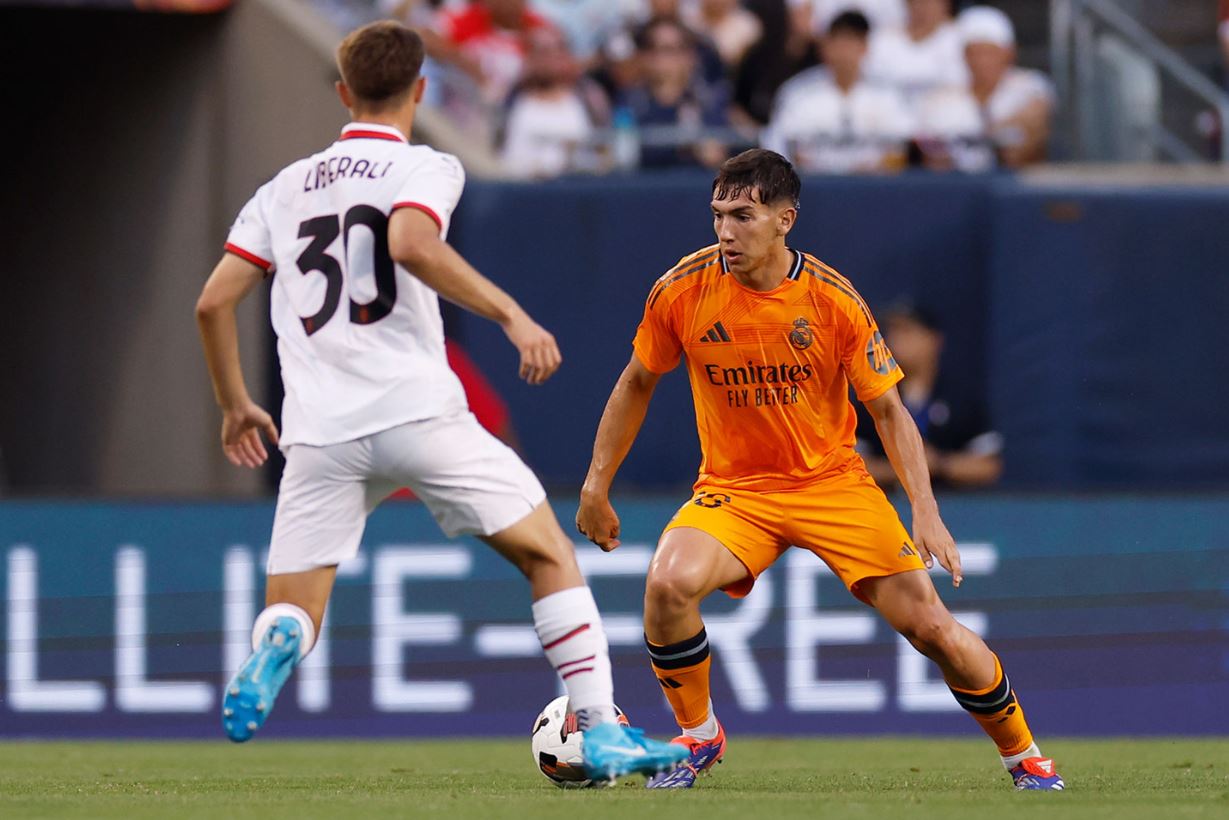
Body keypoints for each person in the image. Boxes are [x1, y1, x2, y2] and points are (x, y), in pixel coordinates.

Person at [194, 20, 686, 782]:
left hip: (318, 431)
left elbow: (213, 303)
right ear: (420, 90)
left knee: (295, 605)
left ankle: (276, 646)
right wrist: (512, 315)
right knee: (548, 556)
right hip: (413, 410)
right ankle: (600, 729)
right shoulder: (423, 165)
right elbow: (411, 244)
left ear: (342, 92)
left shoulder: (281, 189)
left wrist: (234, 403)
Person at [575, 149, 1065, 792]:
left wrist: (926, 511)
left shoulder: (832, 300)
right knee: (667, 586)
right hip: (735, 490)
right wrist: (595, 484)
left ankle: (1025, 754)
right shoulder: (682, 289)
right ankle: (698, 736)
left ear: (786, 219)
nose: (725, 232)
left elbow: (889, 412)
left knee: (932, 629)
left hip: (832, 484)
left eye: (743, 216)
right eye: (718, 215)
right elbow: (637, 381)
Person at [855, 303, 1003, 488]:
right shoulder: (872, 396)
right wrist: (905, 467)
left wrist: (939, 464)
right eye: (893, 332)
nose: (897, 341)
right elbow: (853, 465)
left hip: (952, 507)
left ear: (934, 340)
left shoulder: (960, 399)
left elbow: (988, 466)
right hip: (887, 506)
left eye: (907, 331)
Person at [762, 11, 913, 173]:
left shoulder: (887, 95)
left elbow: (902, 145)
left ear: (865, 47)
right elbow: (778, 144)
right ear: (826, 46)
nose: (845, 51)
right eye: (839, 41)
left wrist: (871, 171)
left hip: (875, 187)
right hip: (812, 187)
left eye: (852, 41)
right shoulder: (798, 92)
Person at [913, 6, 1054, 171]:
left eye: (990, 52)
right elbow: (933, 156)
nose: (981, 61)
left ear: (1009, 53)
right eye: (975, 53)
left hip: (1015, 183)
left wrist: (976, 138)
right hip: (958, 184)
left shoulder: (1030, 85)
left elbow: (1027, 135)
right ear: (964, 56)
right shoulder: (943, 97)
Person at [499, 25, 610, 178]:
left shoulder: (590, 97)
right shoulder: (509, 100)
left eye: (559, 50)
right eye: (543, 52)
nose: (551, 59)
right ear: (529, 57)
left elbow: (604, 149)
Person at [620, 16, 732, 168]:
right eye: (653, 48)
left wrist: (714, 155)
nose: (660, 58)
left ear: (690, 57)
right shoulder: (630, 102)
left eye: (671, 49)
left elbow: (722, 157)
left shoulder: (707, 102)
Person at [864, 0, 966, 104]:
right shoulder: (883, 39)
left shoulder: (959, 39)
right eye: (917, 2)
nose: (922, 8)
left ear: (945, 4)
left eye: (929, 2)